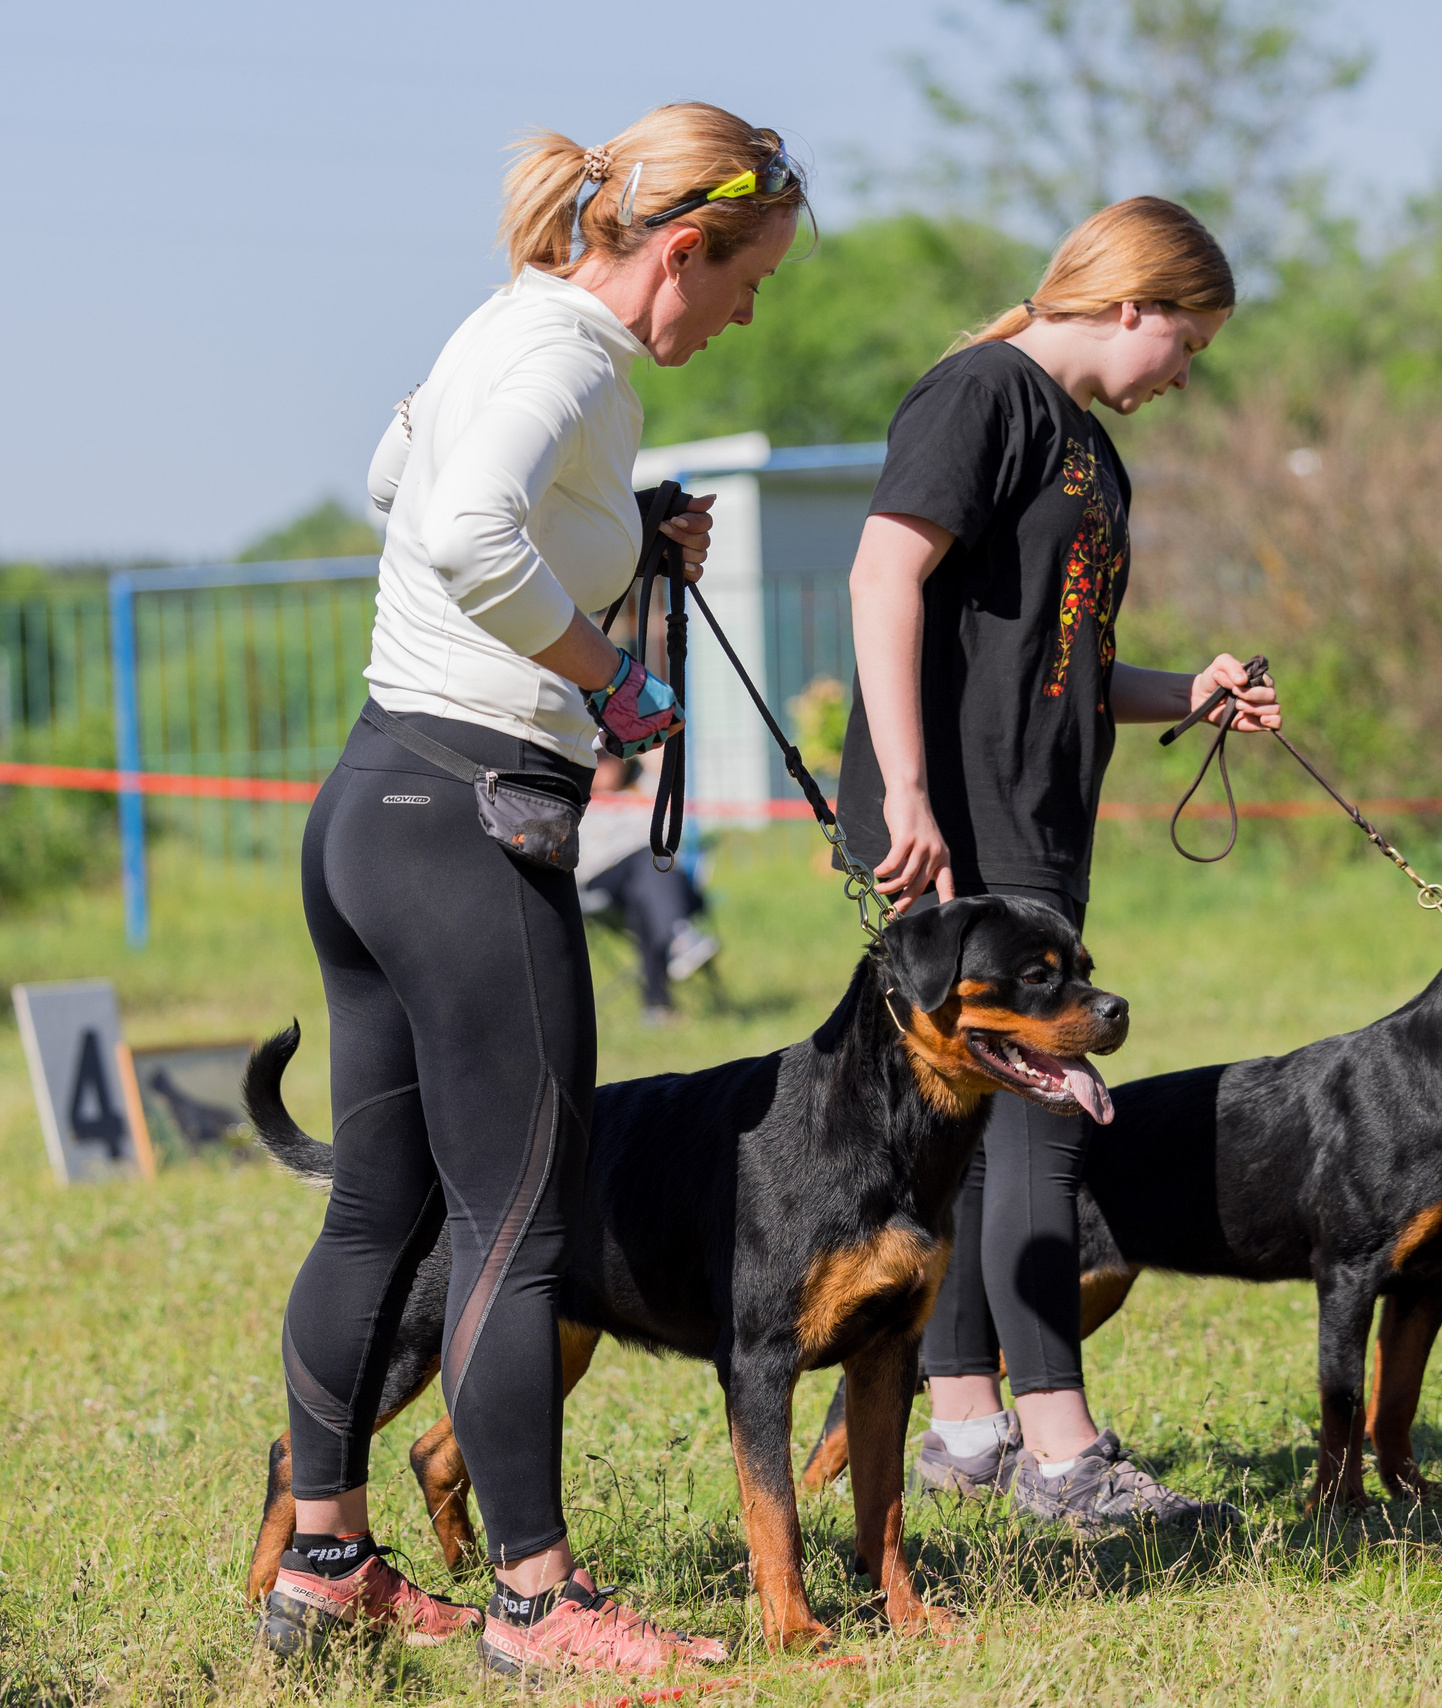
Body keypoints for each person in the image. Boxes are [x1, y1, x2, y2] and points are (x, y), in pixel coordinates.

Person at [262, 104, 804, 1680]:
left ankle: (325, 1561)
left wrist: (620, 530)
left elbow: (391, 469)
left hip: (372, 806)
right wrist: (613, 682)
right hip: (472, 826)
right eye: (745, 281)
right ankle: (539, 1603)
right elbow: (454, 526)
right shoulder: (573, 359)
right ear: (682, 250)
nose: (746, 313)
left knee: (385, 1212)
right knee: (525, 1219)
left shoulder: (509, 322)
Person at [836, 196, 1280, 1533]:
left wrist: (1186, 691)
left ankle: (964, 1426)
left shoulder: (1090, 451)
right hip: (956, 820)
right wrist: (909, 792)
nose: (1184, 377)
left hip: (1033, 814)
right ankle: (1060, 1455)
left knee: (980, 1129)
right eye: (1187, 347)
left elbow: (1066, 662)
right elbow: (881, 577)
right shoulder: (980, 393)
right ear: (1134, 304)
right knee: (1042, 1114)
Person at [576, 749, 720, 1023]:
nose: (604, 765)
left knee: (644, 891)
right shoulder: (580, 802)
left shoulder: (642, 790)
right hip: (603, 881)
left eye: (610, 756)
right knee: (650, 861)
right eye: (596, 757)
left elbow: (671, 825)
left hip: (651, 884)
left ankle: (657, 1007)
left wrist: (645, 758)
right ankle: (680, 937)